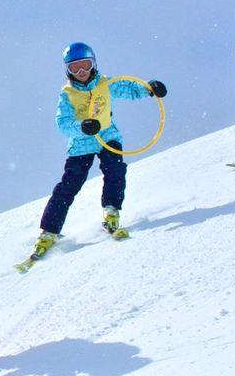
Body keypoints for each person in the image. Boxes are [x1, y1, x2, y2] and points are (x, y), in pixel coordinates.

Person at [23, 43, 166, 265]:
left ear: (94, 64)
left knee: (115, 170)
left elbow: (128, 88)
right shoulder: (67, 94)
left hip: (108, 136)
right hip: (81, 144)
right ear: (67, 70)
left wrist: (149, 88)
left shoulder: (105, 84)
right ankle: (49, 231)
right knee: (68, 186)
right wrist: (82, 127)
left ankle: (111, 210)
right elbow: (62, 123)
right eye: (75, 68)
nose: (81, 72)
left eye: (85, 65)